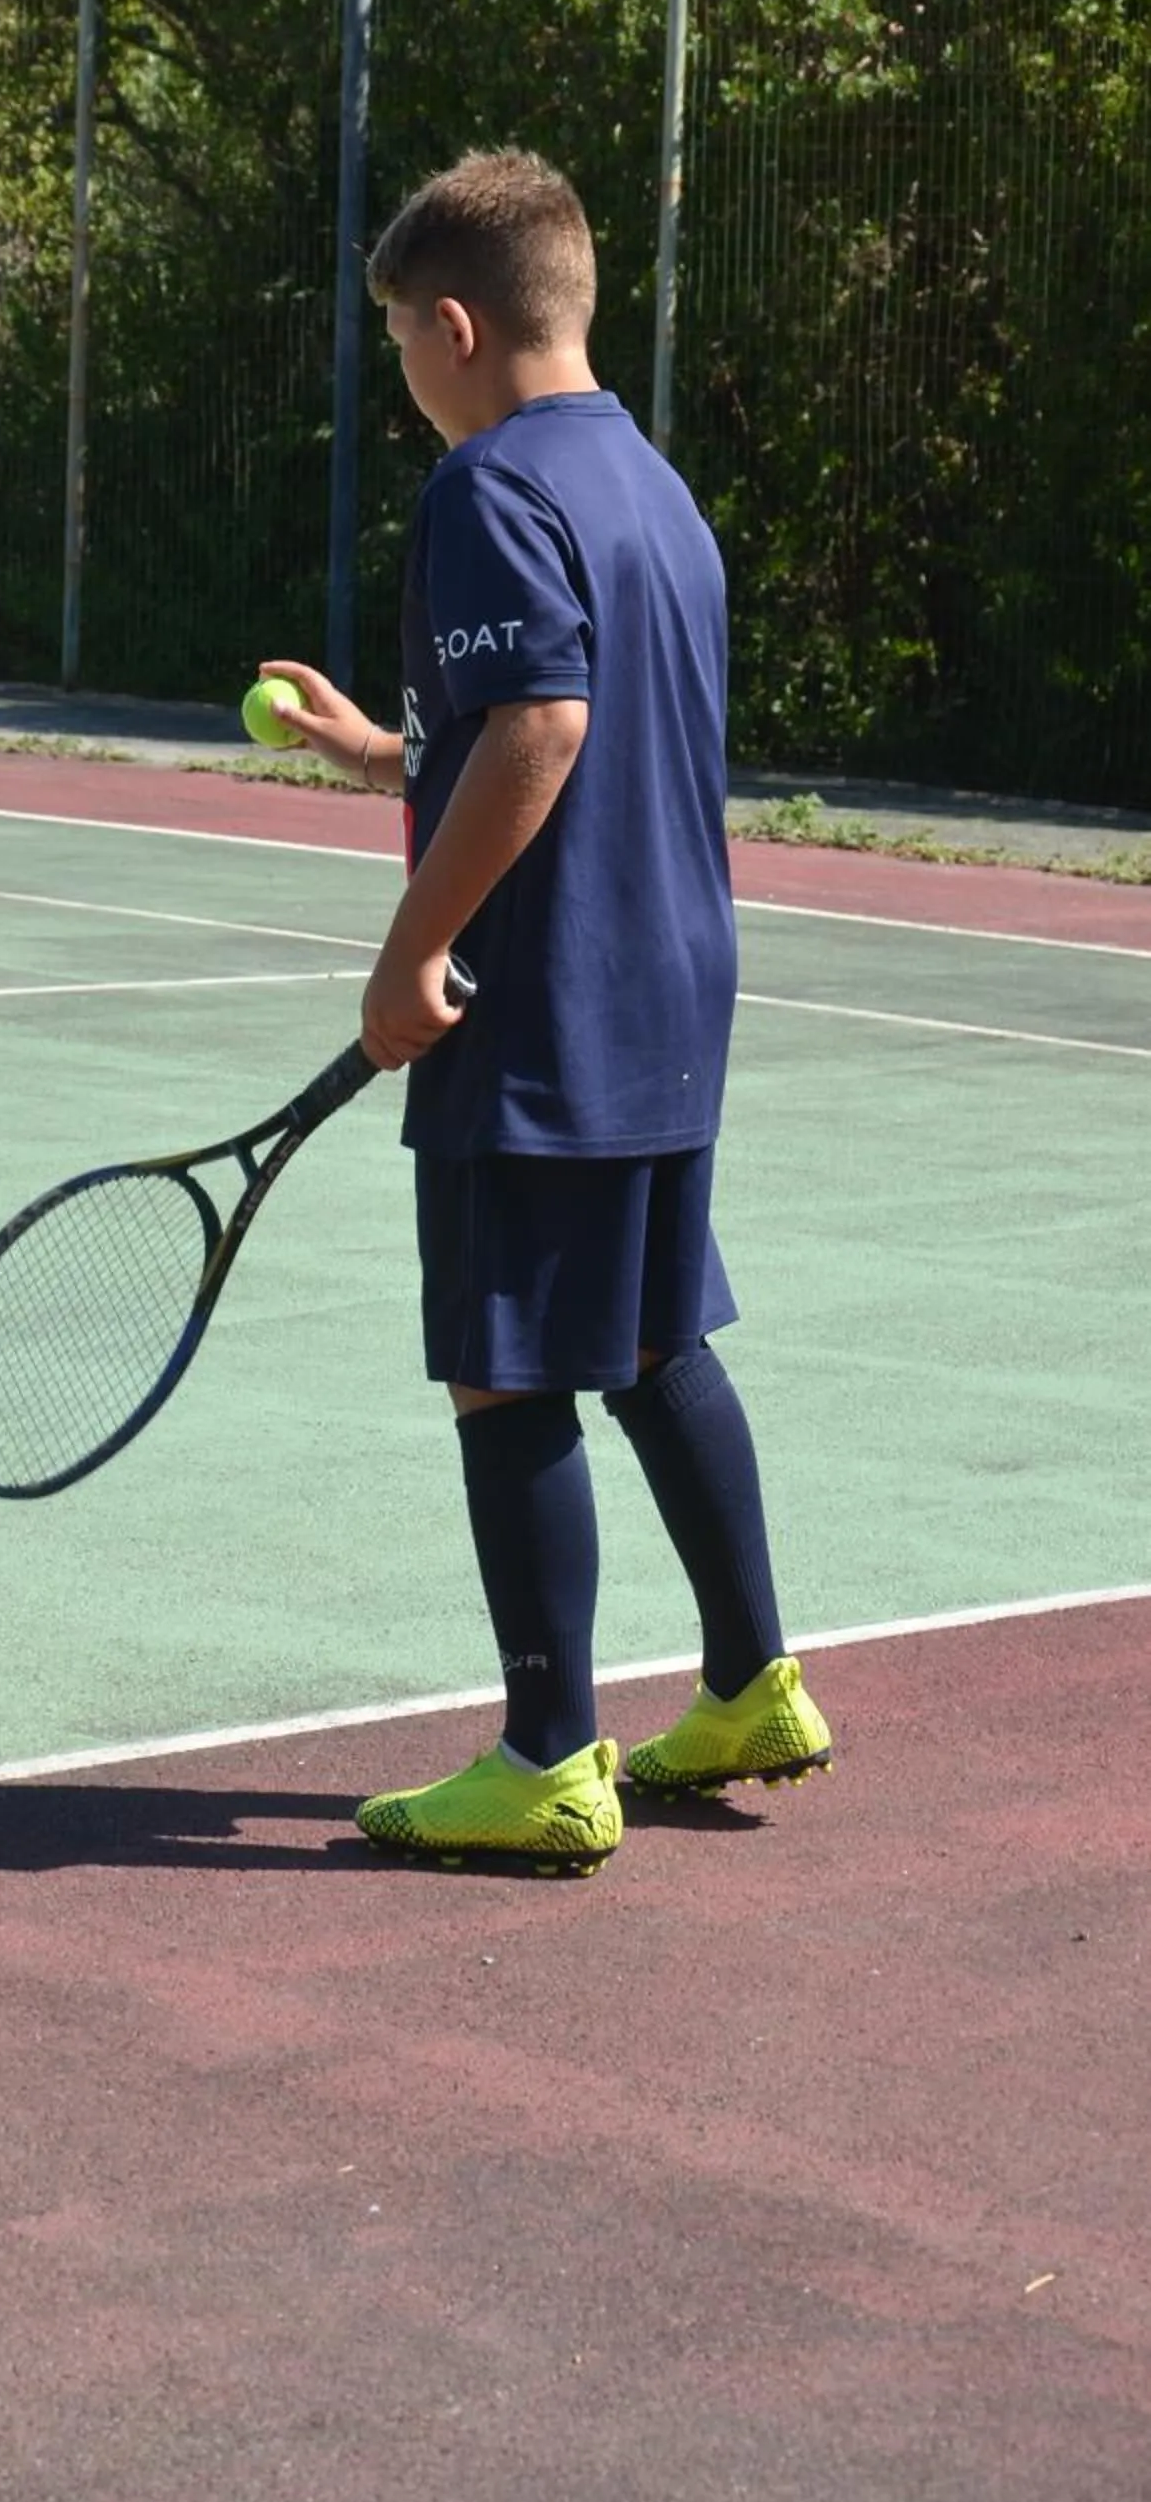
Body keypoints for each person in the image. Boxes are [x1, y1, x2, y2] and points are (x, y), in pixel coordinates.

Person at [260, 147, 831, 1875]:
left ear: (454, 327)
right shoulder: (655, 488)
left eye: (398, 344)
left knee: (504, 1373)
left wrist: (410, 947)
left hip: (544, 1003)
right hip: (672, 992)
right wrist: (382, 750)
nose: (403, 379)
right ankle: (750, 1684)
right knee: (654, 1341)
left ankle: (545, 1756)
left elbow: (545, 728)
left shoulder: (485, 488)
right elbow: (570, 720)